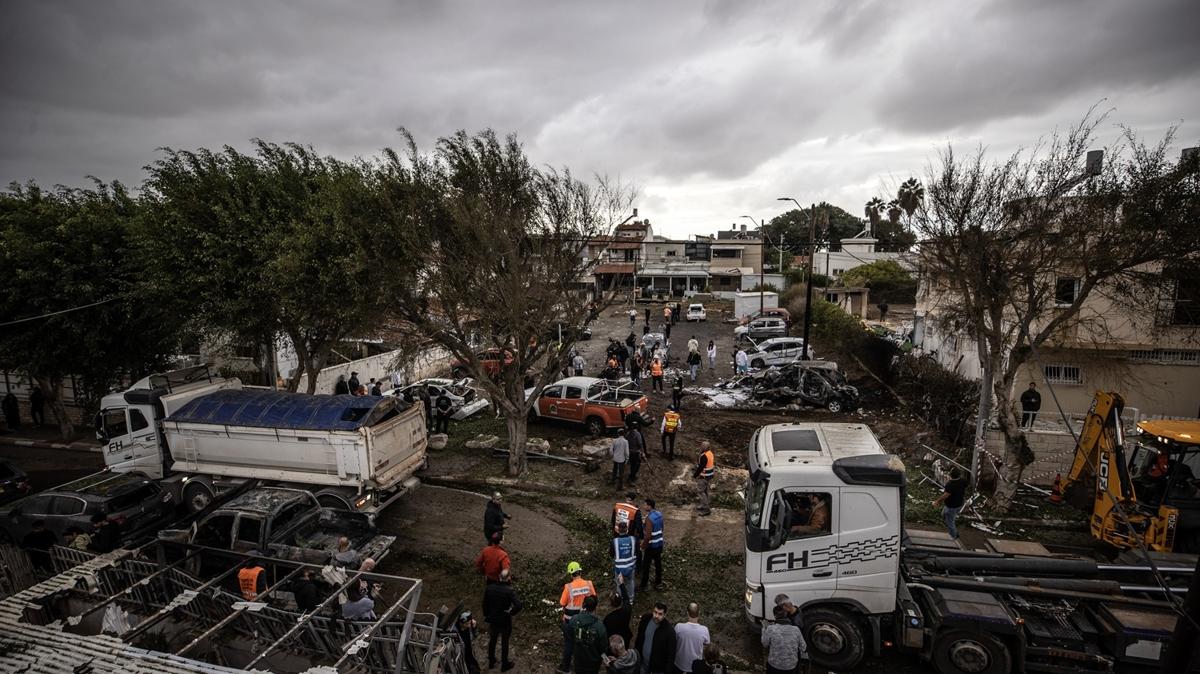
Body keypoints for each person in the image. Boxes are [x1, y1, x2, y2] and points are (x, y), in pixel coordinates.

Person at [559, 562, 597, 673]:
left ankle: (565, 667)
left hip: (569, 622)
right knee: (584, 643)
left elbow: (562, 603)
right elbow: (594, 598)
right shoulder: (589, 584)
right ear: (580, 572)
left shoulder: (568, 587)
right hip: (585, 621)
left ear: (571, 574)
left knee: (569, 644)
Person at [482, 568, 522, 671]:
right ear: (508, 578)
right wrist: (511, 612)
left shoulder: (490, 588)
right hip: (504, 620)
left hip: (493, 618)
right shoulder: (509, 591)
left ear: (499, 577)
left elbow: (484, 604)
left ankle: (491, 661)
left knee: (493, 640)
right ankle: (505, 664)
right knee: (505, 642)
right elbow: (518, 605)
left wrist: (487, 615)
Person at [762, 604, 807, 674]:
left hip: (774, 666)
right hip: (791, 667)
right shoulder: (796, 629)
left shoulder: (771, 629)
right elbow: (803, 648)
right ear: (786, 614)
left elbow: (765, 644)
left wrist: (764, 628)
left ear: (775, 616)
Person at [569, 595, 608, 674]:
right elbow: (603, 647)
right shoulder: (599, 627)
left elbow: (570, 636)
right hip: (593, 663)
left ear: (583, 605)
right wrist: (605, 658)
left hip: (579, 660)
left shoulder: (574, 620)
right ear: (595, 608)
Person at [635, 602, 677, 674]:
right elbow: (639, 637)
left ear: (665, 615)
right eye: (655, 612)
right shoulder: (645, 619)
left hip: (657, 670)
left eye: (660, 614)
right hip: (642, 664)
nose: (656, 616)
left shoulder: (669, 632)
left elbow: (671, 655)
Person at [674, 602, 711, 674]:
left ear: (687, 613)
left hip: (679, 666)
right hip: (696, 668)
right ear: (699, 613)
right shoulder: (704, 630)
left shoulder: (678, 627)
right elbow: (707, 646)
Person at [934, 467, 970, 540]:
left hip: (952, 506)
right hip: (958, 503)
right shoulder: (963, 481)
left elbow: (946, 495)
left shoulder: (950, 484)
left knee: (950, 522)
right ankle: (949, 524)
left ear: (950, 475)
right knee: (944, 514)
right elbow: (966, 485)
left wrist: (937, 501)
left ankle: (954, 536)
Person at [640, 498, 665, 590]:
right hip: (659, 544)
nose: (644, 506)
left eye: (645, 505)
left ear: (649, 506)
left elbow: (647, 536)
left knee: (646, 565)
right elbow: (662, 528)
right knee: (658, 564)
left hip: (651, 547)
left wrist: (642, 546)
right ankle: (659, 583)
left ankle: (644, 585)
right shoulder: (659, 514)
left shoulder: (649, 519)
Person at [612, 522, 637, 602]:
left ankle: (620, 600)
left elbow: (611, 554)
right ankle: (630, 599)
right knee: (630, 582)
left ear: (618, 530)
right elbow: (637, 552)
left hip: (619, 569)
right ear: (627, 529)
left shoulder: (614, 541)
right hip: (631, 567)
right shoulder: (633, 539)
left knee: (619, 583)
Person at [694, 441, 715, 516]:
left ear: (705, 447)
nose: (701, 447)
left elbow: (701, 467)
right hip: (709, 476)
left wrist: (695, 475)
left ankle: (706, 509)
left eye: (702, 446)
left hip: (704, 476)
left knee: (700, 492)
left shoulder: (704, 455)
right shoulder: (710, 453)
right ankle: (703, 505)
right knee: (705, 492)